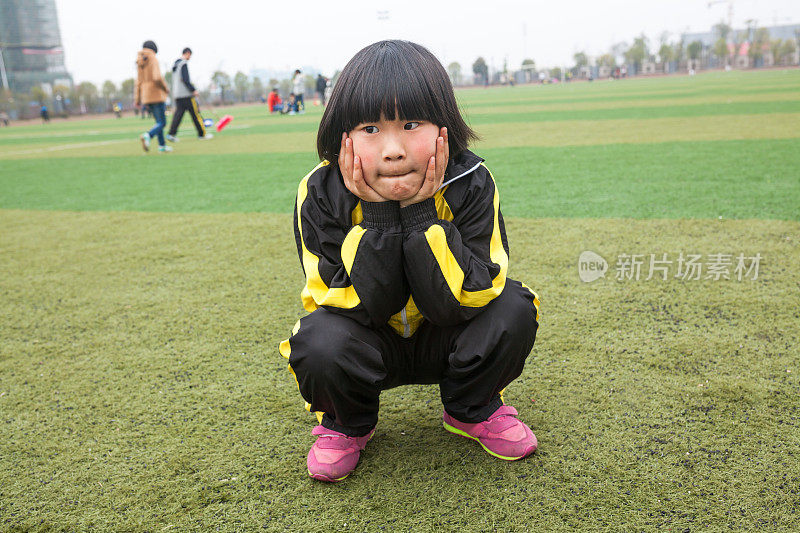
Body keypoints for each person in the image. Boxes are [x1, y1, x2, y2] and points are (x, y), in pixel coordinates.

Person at [279, 40, 541, 483]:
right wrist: (380, 218)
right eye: (369, 128)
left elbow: (476, 293)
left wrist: (420, 216)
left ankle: (470, 408)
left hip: (446, 332)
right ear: (342, 136)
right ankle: (347, 424)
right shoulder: (321, 191)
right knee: (320, 340)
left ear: (445, 127)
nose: (393, 149)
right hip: (369, 338)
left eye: (412, 123)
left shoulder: (471, 181)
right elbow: (340, 301)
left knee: (513, 307)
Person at [166, 47, 213, 142]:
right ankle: (202, 134)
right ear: (187, 53)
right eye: (190, 55)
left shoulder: (176, 64)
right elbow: (185, 79)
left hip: (177, 94)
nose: (190, 57)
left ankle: (171, 134)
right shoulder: (183, 64)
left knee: (178, 115)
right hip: (186, 94)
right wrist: (193, 90)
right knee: (196, 114)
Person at [135, 40, 171, 153]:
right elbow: (157, 77)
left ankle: (162, 146)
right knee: (163, 122)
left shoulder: (139, 61)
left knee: (158, 122)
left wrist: (137, 99)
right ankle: (148, 135)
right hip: (156, 94)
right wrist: (165, 88)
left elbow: (138, 82)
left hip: (146, 96)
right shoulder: (153, 58)